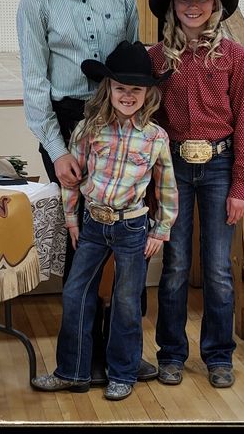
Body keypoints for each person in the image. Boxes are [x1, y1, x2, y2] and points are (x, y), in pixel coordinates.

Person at [16, 0, 157, 384]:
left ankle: (122, 353)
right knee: (84, 242)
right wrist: (56, 153)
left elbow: (134, 68)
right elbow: (35, 86)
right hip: (68, 124)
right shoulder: (35, 3)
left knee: (128, 240)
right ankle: (81, 359)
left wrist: (138, 129)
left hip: (121, 126)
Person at [31, 41, 178, 400]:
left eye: (136, 90)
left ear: (148, 94)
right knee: (76, 293)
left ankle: (123, 373)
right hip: (93, 225)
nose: (127, 96)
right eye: (120, 88)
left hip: (132, 227)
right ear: (107, 89)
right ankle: (73, 371)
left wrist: (161, 230)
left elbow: (168, 189)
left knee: (127, 301)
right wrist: (72, 221)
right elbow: (73, 180)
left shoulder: (156, 138)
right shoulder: (88, 129)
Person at [147, 0, 244, 388]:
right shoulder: (156, 58)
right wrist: (151, 181)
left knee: (217, 269)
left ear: (215, 5)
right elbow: (147, 120)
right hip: (172, 167)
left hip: (219, 166)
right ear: (173, 6)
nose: (193, 6)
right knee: (174, 265)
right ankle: (171, 353)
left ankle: (218, 355)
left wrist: (240, 184)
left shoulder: (235, 56)